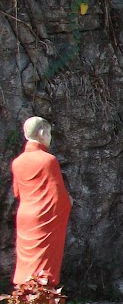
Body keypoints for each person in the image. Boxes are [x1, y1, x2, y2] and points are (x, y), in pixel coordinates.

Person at [10, 116, 72, 286]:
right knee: (45, 259)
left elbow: (17, 192)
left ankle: (24, 298)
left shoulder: (17, 162)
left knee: (26, 260)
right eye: (49, 133)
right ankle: (43, 302)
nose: (50, 138)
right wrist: (69, 202)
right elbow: (57, 194)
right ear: (42, 132)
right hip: (44, 215)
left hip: (25, 214)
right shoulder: (48, 160)